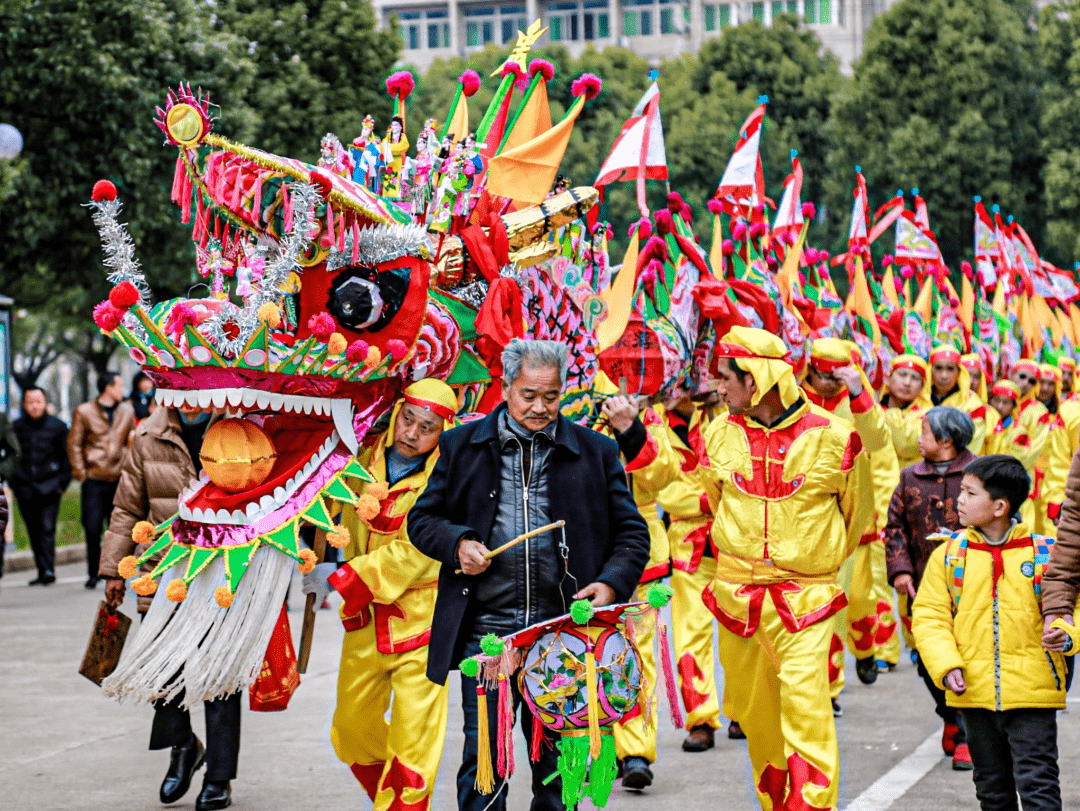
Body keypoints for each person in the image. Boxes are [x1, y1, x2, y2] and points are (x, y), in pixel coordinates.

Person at [407, 338, 651, 811]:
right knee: (484, 767)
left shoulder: (596, 451)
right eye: (528, 396)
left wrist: (611, 582)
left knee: (560, 774)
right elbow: (422, 520)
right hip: (489, 637)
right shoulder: (462, 445)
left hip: (562, 636)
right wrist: (457, 542)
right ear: (505, 387)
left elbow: (632, 533)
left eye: (551, 397)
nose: (540, 408)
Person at [698, 327, 874, 811]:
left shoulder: (836, 437)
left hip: (807, 601)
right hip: (738, 601)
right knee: (758, 720)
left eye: (726, 378)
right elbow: (718, 505)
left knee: (806, 707)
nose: (719, 388)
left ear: (756, 379)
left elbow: (857, 514)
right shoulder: (716, 432)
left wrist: (814, 564)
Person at [301, 379, 458, 811]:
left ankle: (401, 805)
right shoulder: (353, 460)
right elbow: (322, 511)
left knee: (413, 749)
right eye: (409, 419)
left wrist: (343, 577)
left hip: (422, 626)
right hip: (364, 621)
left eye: (427, 427)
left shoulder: (449, 479)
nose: (413, 433)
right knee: (350, 732)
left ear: (442, 432)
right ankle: (393, 800)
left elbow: (423, 550)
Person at [913, 455, 1076, 811]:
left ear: (1000, 506)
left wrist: (1064, 634)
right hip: (973, 692)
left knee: (1039, 786)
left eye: (970, 493)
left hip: (1033, 694)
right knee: (991, 790)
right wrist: (946, 664)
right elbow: (929, 616)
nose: (959, 499)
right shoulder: (951, 555)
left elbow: (1072, 608)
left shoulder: (1045, 553)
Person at [99, 404, 238, 811]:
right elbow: (127, 508)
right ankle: (183, 746)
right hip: (160, 573)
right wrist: (112, 571)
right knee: (163, 675)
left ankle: (219, 777)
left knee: (220, 679)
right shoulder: (147, 437)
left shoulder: (239, 427)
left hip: (222, 574)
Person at [593, 381, 680, 790]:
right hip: (582, 549)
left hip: (639, 552)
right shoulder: (569, 404)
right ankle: (595, 747)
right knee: (583, 654)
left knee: (636, 656)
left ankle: (636, 752)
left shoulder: (649, 417)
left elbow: (662, 475)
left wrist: (630, 428)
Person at [802, 338, 900, 692]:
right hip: (814, 515)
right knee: (832, 604)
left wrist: (860, 393)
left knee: (860, 598)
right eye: (824, 374)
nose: (831, 382)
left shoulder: (857, 401)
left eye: (838, 375)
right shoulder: (796, 399)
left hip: (858, 513)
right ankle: (830, 686)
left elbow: (876, 442)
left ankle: (865, 648)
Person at [883, 406, 976, 770]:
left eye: (923, 433)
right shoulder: (909, 478)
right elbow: (894, 528)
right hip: (923, 587)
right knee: (926, 658)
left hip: (970, 585)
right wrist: (900, 571)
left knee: (967, 655)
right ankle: (950, 716)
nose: (917, 439)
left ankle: (967, 734)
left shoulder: (979, 471)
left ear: (946, 440)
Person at [657, 392, 733, 742]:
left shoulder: (726, 411)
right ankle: (700, 719)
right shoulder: (653, 423)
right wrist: (711, 499)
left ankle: (742, 711)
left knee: (740, 637)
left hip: (734, 544)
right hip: (688, 547)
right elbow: (662, 492)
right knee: (690, 637)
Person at [68, 371, 136, 588]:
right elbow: (74, 443)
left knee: (117, 529)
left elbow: (132, 441)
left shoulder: (127, 412)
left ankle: (115, 572)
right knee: (92, 527)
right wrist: (82, 474)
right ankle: (93, 573)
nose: (122, 389)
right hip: (94, 479)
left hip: (118, 478)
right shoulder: (84, 411)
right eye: (119, 384)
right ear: (108, 387)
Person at [11, 387, 70, 586]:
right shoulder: (16, 428)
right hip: (24, 487)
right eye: (31, 402)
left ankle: (48, 569)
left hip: (50, 486)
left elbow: (66, 458)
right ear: (24, 405)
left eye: (39, 401)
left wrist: (62, 483)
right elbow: (11, 456)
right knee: (33, 530)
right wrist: (15, 480)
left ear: (45, 403)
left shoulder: (58, 427)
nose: (35, 406)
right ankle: (41, 568)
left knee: (47, 528)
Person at [929, 345, 987, 454]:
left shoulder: (973, 403)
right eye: (938, 368)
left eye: (950, 369)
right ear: (930, 370)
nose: (944, 376)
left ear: (959, 372)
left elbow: (970, 445)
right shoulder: (918, 398)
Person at [881, 354, 932, 471]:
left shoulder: (928, 414)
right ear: (887, 379)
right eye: (902, 374)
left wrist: (885, 413)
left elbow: (906, 446)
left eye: (915, 378)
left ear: (922, 387)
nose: (907, 382)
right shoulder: (873, 407)